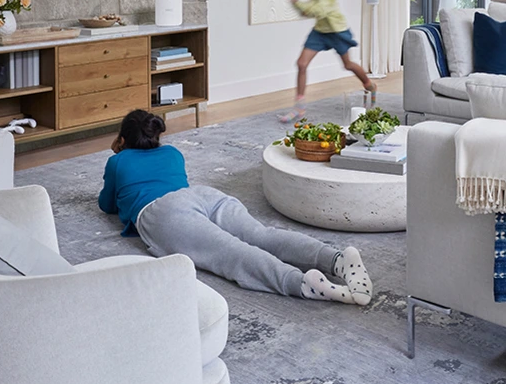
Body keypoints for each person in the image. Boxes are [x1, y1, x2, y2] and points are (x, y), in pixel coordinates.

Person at [99, 109, 374, 304]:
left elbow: (106, 205)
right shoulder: (172, 153)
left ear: (122, 140)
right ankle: (338, 259)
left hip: (162, 212)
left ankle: (300, 283)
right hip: (201, 195)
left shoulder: (118, 161)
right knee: (261, 235)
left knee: (230, 252)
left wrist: (118, 154)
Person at [282, 0, 376, 123]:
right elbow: (318, 6)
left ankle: (369, 84)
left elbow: (321, 8)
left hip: (336, 30)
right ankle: (299, 107)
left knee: (348, 64)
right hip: (320, 30)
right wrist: (305, 8)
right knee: (302, 64)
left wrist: (300, 5)